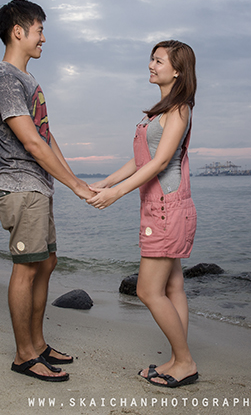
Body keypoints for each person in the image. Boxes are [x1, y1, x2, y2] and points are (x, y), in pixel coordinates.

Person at [0, 0, 94, 382]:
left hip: (39, 188)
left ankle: (38, 344)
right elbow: (32, 143)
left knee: (45, 263)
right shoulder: (5, 79)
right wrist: (75, 186)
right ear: (19, 31)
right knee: (27, 268)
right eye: (39, 30)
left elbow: (46, 137)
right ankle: (24, 355)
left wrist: (75, 180)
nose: (43, 38)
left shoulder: (26, 80)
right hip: (21, 187)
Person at [87, 40, 198, 388]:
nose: (151, 65)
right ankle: (178, 358)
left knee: (148, 291)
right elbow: (141, 160)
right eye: (152, 59)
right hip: (161, 208)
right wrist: (107, 181)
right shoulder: (159, 111)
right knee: (174, 286)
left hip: (166, 209)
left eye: (158, 61)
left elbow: (161, 162)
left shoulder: (179, 109)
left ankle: (185, 362)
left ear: (177, 70)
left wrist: (117, 193)